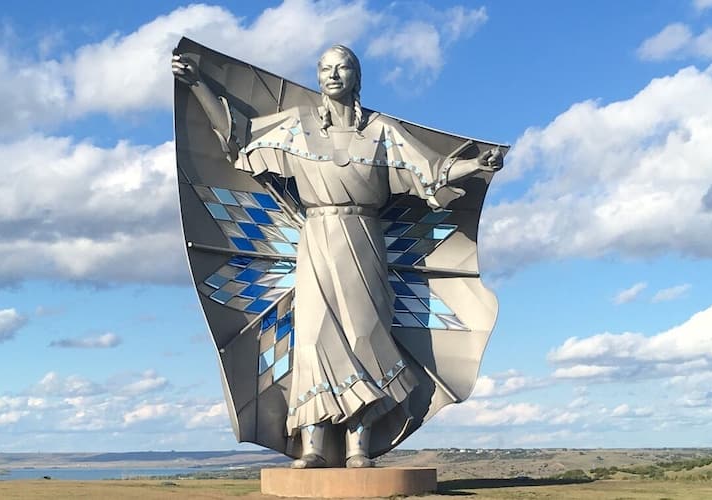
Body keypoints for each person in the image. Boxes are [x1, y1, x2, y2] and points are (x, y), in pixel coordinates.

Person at [173, 45, 502, 468]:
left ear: (356, 77)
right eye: (325, 68)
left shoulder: (381, 132)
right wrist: (198, 84)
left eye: (342, 67)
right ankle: (312, 445)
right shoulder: (298, 126)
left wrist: (475, 166)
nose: (333, 75)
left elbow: (431, 171)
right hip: (315, 238)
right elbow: (240, 139)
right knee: (312, 337)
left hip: (365, 239)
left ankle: (357, 446)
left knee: (364, 335)